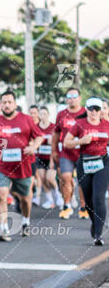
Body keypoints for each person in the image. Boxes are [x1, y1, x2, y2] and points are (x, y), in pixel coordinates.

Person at [0, 90, 44, 240]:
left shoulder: (26, 119)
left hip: (23, 166)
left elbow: (39, 136)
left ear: (15, 104)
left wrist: (33, 147)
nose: (7, 105)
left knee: (25, 199)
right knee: (1, 195)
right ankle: (4, 229)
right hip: (2, 166)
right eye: (4, 102)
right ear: (1, 104)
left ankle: (25, 221)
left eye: (10, 102)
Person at [64, 97, 109, 245]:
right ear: (87, 110)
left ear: (101, 110)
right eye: (91, 109)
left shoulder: (107, 125)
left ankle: (98, 234)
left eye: (97, 109)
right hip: (85, 163)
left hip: (102, 163)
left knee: (99, 197)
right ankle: (95, 223)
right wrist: (80, 141)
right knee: (88, 201)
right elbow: (66, 142)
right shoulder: (79, 124)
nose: (94, 112)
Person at [52, 88, 88, 219]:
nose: (72, 99)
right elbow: (55, 133)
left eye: (74, 96)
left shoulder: (86, 112)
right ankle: (67, 205)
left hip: (83, 153)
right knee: (65, 178)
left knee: (82, 180)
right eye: (69, 96)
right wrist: (53, 150)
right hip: (66, 153)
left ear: (79, 98)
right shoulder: (61, 114)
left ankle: (83, 207)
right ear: (67, 99)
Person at [35, 106, 62, 209]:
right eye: (41, 114)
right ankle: (49, 199)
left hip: (51, 157)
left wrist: (52, 159)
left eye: (44, 114)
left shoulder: (53, 127)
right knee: (43, 179)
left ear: (48, 115)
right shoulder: (36, 127)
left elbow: (58, 141)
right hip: (40, 157)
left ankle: (58, 194)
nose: (43, 116)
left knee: (50, 178)